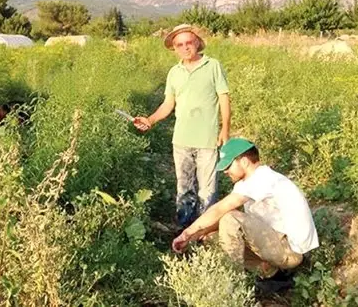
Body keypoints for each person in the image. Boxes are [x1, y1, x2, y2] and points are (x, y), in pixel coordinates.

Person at [172, 138, 319, 285]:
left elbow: (222, 208)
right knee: (210, 236)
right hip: (274, 241)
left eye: (228, 165)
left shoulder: (263, 178)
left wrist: (188, 232)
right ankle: (268, 271)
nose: (225, 171)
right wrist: (196, 235)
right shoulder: (247, 183)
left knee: (230, 219)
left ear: (244, 161)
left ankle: (234, 283)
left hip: (290, 250)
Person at [134, 24, 231, 224]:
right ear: (174, 48)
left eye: (189, 42)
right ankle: (185, 230)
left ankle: (205, 232)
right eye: (180, 44)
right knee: (184, 187)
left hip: (207, 139)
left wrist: (225, 129)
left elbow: (224, 98)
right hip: (181, 140)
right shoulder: (174, 73)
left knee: (208, 190)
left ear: (197, 42)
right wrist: (150, 120)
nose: (185, 47)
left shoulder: (212, 66)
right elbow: (169, 103)